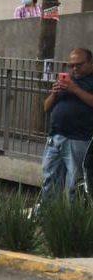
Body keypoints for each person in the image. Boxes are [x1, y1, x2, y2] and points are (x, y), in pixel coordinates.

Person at [40, 48, 93, 200]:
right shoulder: (67, 80)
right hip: (56, 137)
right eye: (71, 65)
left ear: (90, 62)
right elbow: (46, 107)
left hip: (78, 139)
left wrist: (75, 89)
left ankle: (73, 220)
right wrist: (54, 93)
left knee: (75, 183)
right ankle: (46, 216)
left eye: (79, 65)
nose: (74, 68)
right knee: (50, 179)